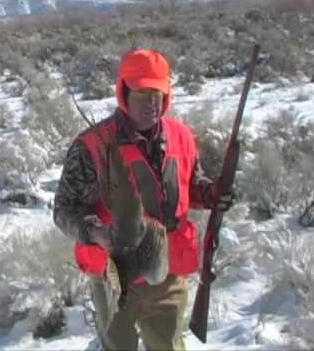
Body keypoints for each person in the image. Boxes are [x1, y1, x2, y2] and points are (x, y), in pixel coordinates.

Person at [53, 48, 234, 351]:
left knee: (168, 346)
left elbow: (190, 185)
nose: (151, 101)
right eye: (142, 92)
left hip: (168, 274)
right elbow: (64, 210)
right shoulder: (93, 146)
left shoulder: (181, 136)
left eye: (157, 92)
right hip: (116, 276)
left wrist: (212, 194)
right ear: (124, 91)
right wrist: (95, 231)